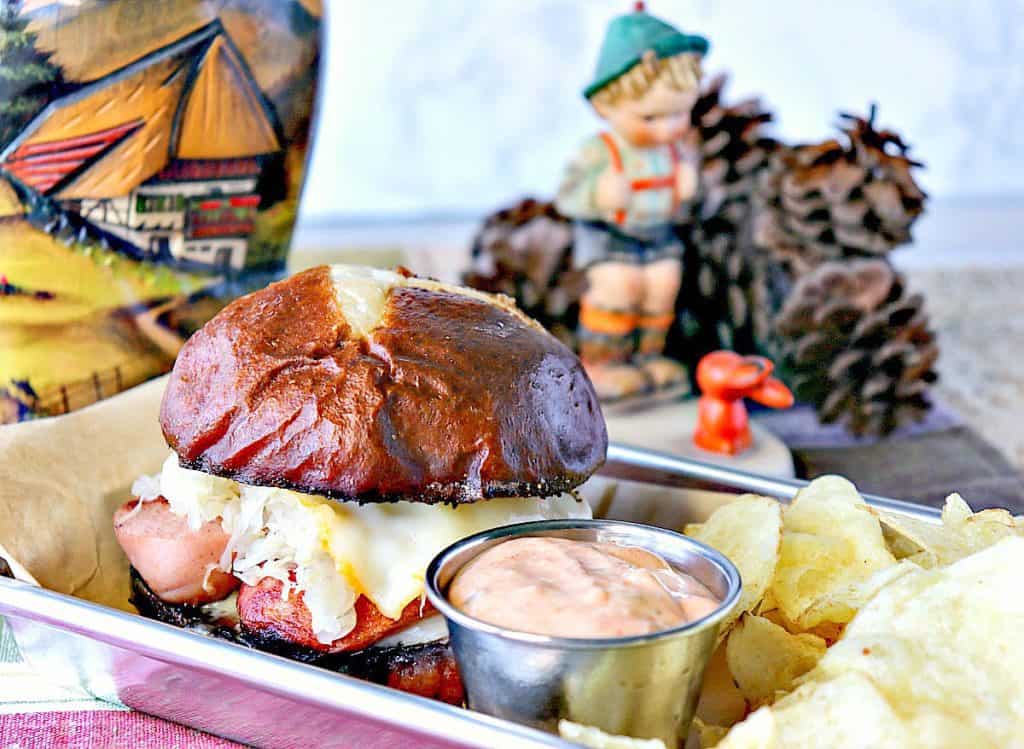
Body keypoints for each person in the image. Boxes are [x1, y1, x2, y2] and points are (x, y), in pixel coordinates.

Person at [556, 3, 708, 401]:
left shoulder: (673, 152)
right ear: (605, 105)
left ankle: (648, 356)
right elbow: (567, 195)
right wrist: (597, 194)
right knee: (620, 286)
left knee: (662, 284)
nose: (669, 128)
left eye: (680, 114)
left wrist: (687, 186)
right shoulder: (599, 151)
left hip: (657, 235)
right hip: (610, 238)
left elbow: (681, 204)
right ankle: (603, 362)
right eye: (651, 118)